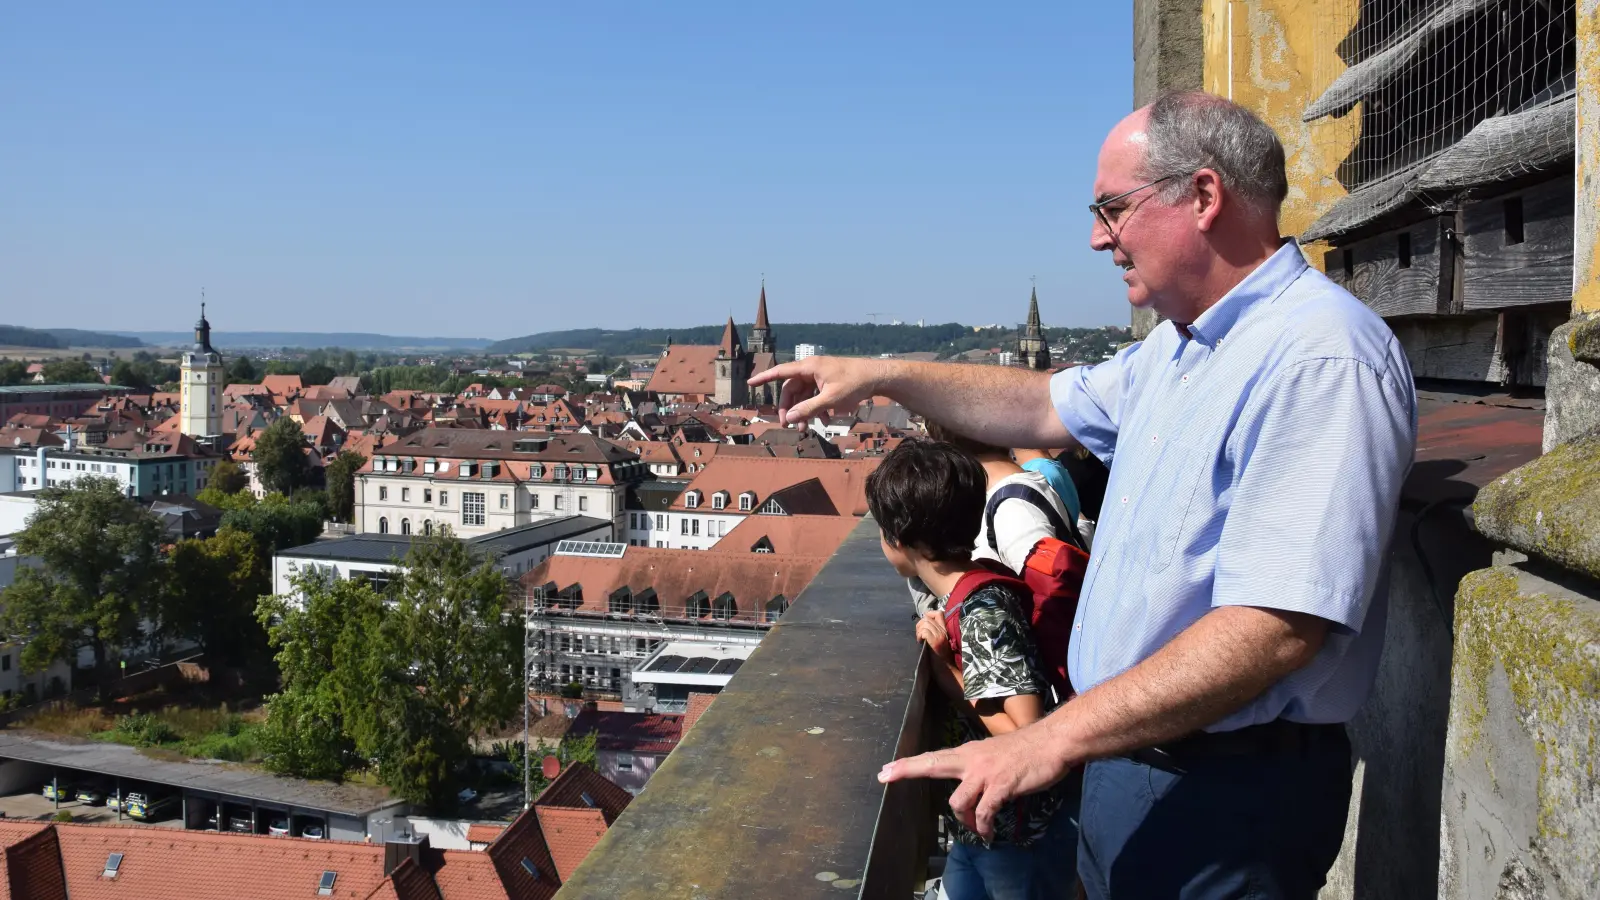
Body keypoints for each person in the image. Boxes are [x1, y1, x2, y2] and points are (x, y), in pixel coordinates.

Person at [752, 90, 1417, 899]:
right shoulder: (1179, 352)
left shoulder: (1318, 358)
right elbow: (1035, 405)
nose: (1098, 237)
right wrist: (882, 375)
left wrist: (1048, 740)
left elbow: (1275, 628)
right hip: (1132, 761)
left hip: (1225, 789)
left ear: (1203, 197)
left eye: (1112, 209)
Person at [865, 439, 1078, 900]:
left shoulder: (984, 609)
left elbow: (1027, 733)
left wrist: (945, 669)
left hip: (1017, 833)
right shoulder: (968, 591)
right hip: (980, 824)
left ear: (900, 539)